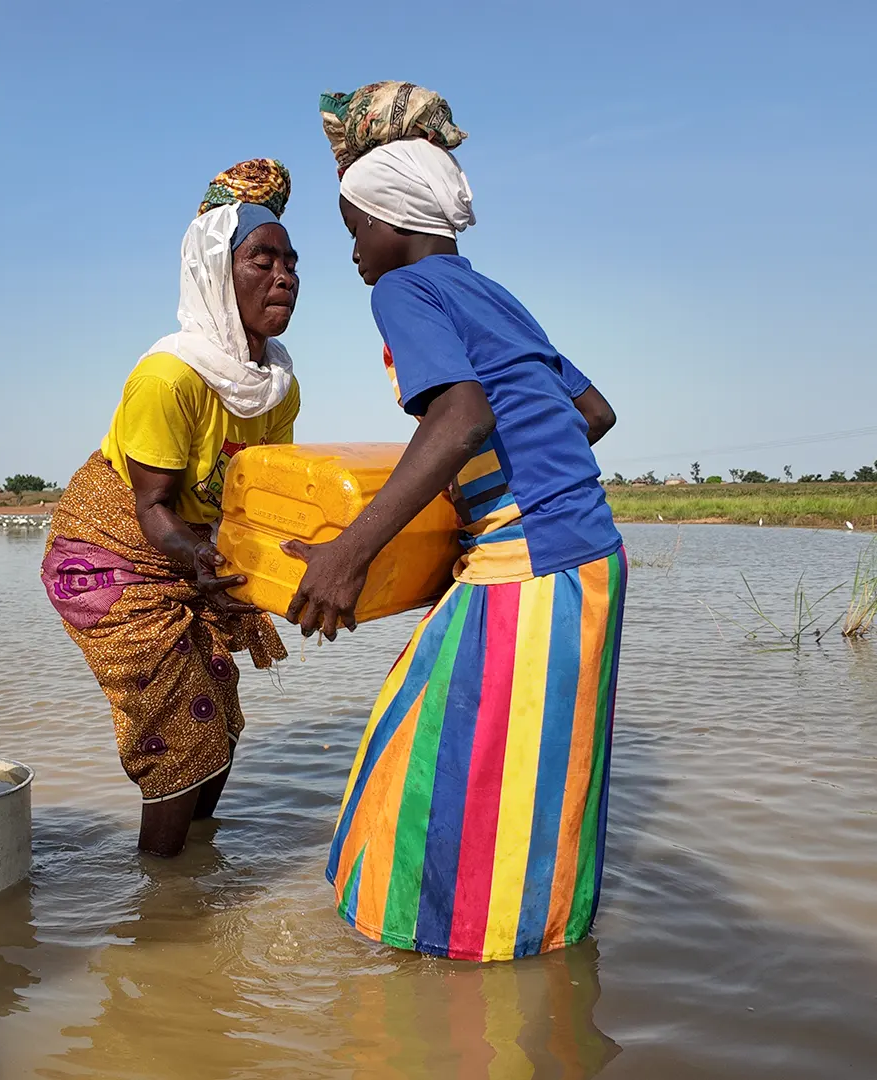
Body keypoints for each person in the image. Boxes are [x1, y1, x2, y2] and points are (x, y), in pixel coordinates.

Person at [283, 83, 626, 962]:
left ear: (393, 221)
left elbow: (464, 415)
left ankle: (445, 959)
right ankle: (531, 947)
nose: (353, 251)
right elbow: (591, 415)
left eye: (354, 227)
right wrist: (475, 509)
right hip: (576, 551)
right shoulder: (493, 293)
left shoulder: (404, 289)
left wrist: (351, 552)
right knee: (518, 761)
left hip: (536, 559)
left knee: (438, 764)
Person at [42, 159, 300, 857]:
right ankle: (161, 902)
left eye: (291, 262)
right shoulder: (168, 378)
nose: (284, 277)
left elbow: (259, 496)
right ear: (217, 273)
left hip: (190, 547)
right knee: (184, 720)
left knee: (219, 707)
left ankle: (196, 858)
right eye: (261, 260)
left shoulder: (275, 387)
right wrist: (212, 560)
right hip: (108, 554)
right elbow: (153, 506)